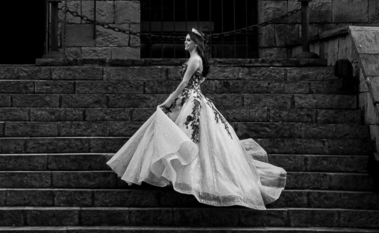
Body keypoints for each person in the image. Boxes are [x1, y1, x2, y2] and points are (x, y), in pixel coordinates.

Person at [105, 29, 286, 209]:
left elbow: (184, 83)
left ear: (196, 43)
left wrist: (169, 100)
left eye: (188, 40)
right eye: (185, 40)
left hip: (190, 100)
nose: (185, 42)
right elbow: (200, 79)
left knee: (186, 136)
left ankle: (182, 176)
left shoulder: (194, 60)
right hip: (191, 98)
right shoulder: (196, 60)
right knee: (175, 133)